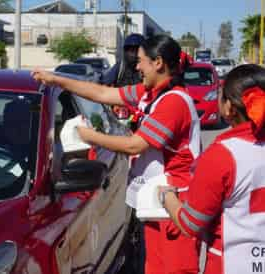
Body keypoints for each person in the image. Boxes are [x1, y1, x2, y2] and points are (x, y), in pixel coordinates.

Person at [33, 34, 201, 274]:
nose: (137, 66)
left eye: (142, 60)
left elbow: (134, 145)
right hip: (157, 205)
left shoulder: (173, 102)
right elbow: (102, 94)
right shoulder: (149, 93)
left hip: (174, 209)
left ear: (159, 63)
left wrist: (88, 136)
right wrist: (56, 79)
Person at [159, 64, 265, 274]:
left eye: (220, 94)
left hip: (231, 264)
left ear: (229, 108)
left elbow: (190, 223)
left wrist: (167, 197)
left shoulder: (221, 156)